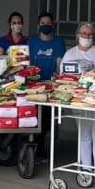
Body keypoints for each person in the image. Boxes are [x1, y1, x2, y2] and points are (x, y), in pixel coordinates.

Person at [63, 22, 95, 187]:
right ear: (77, 35)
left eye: (90, 34)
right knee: (84, 136)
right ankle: (86, 172)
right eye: (83, 33)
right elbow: (64, 78)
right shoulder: (70, 54)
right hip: (79, 100)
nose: (86, 37)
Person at [29, 11, 66, 158]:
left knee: (48, 120)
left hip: (51, 86)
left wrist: (57, 81)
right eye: (42, 23)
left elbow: (59, 64)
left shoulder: (58, 42)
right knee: (34, 118)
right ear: (38, 25)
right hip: (34, 86)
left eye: (48, 23)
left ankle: (43, 149)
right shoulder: (31, 42)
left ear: (53, 25)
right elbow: (29, 62)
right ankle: (36, 147)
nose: (45, 26)